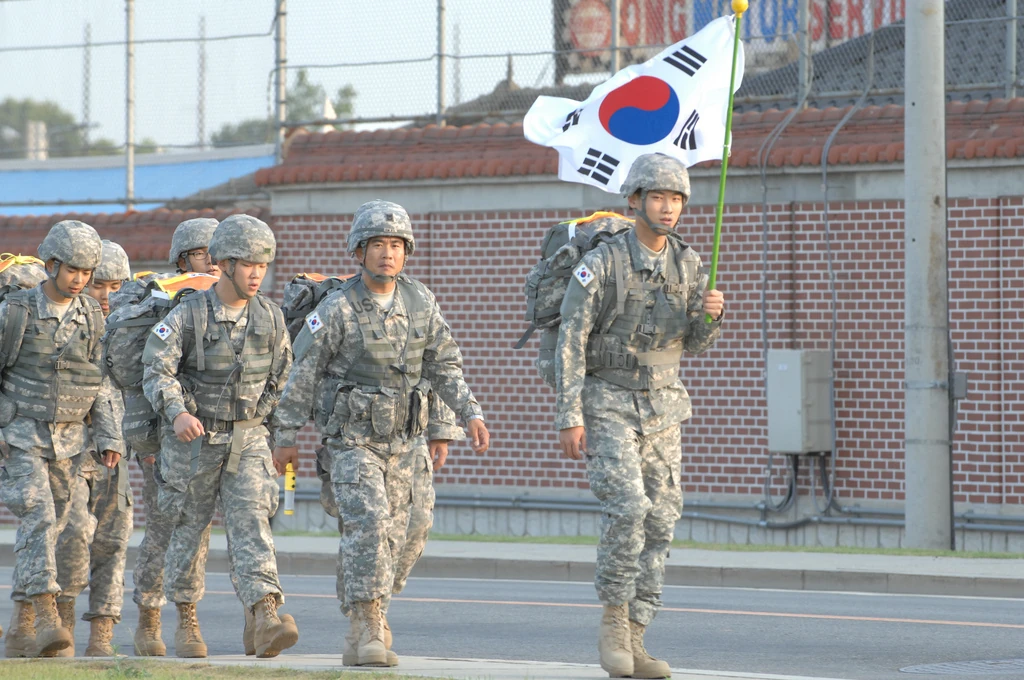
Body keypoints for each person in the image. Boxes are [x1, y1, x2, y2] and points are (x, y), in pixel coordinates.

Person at [272, 199, 490, 667]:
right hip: (352, 441)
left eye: (395, 245)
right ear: (358, 252)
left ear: (406, 252)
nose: (387, 254)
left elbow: (442, 363)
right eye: (377, 245)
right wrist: (285, 437)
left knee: (412, 531)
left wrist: (458, 418)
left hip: (407, 441)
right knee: (369, 525)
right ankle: (366, 624)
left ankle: (371, 608)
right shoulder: (335, 310)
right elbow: (302, 374)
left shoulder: (420, 300)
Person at [555, 154, 724, 679]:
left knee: (661, 518)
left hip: (664, 406)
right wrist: (569, 414)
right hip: (606, 399)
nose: (668, 208)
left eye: (676, 199)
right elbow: (571, 336)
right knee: (628, 507)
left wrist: (711, 317)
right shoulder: (603, 262)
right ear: (635, 201)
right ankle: (612, 620)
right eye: (657, 197)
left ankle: (637, 632)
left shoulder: (690, 263)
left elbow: (691, 344)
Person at [141, 214, 298, 658]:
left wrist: (261, 425)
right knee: (190, 532)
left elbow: (282, 379)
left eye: (262, 265)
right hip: (192, 443)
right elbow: (156, 368)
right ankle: (187, 618)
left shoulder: (270, 317)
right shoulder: (187, 313)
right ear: (223, 264)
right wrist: (176, 413)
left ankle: (265, 613)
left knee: (252, 522)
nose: (255, 273)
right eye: (247, 263)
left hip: (246, 440)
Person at [0, 221, 125, 658]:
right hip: (19, 435)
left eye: (87, 273)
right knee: (37, 515)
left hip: (71, 442)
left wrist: (109, 436)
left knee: (63, 528)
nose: (80, 280)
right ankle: (47, 611)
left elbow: (101, 381)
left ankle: (22, 627)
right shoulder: (15, 313)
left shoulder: (90, 317)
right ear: (51, 264)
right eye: (73, 270)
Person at [130, 217, 221, 656]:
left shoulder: (237, 300)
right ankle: (149, 618)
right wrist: (149, 437)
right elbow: (143, 369)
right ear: (183, 258)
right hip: (167, 434)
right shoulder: (165, 299)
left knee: (200, 531)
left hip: (219, 436)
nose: (217, 262)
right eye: (207, 253)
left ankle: (188, 616)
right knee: (166, 527)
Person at [53, 240, 134, 657]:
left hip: (115, 454)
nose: (107, 295)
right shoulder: (64, 324)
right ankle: (61, 619)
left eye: (116, 286)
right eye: (99, 285)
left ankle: (102, 630)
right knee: (73, 534)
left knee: (114, 539)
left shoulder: (132, 328)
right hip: (69, 447)